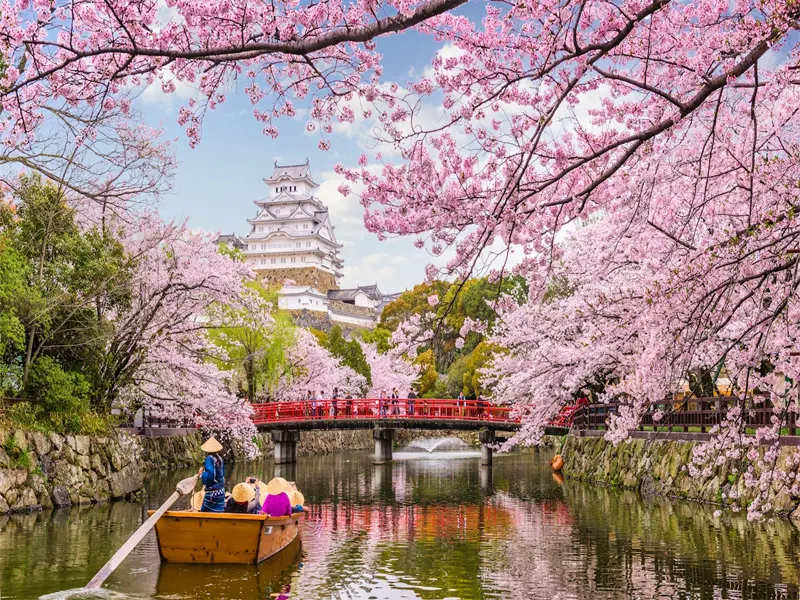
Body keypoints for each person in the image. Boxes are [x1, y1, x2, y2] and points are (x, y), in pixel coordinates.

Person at [198, 436, 225, 512]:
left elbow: (211, 474)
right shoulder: (219, 458)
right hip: (221, 490)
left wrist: (201, 474)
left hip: (213, 492)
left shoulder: (209, 459)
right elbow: (222, 474)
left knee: (204, 511)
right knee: (218, 510)